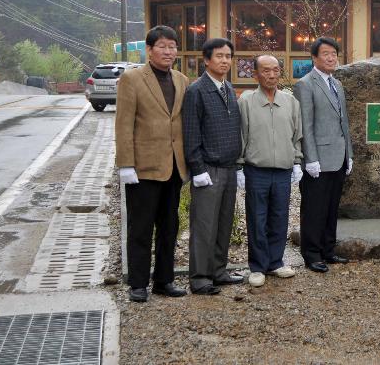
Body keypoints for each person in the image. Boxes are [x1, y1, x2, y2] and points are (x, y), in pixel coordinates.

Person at [115, 25, 189, 302]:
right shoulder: (132, 79)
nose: (168, 51)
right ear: (149, 49)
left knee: (170, 226)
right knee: (141, 227)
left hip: (173, 166)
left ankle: (164, 280)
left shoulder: (181, 80)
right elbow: (123, 124)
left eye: (172, 46)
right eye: (162, 46)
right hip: (143, 167)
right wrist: (125, 164)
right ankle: (137, 283)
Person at [183, 38, 244, 295]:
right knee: (204, 225)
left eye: (228, 56)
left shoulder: (228, 88)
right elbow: (190, 133)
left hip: (229, 168)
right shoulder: (197, 91)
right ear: (206, 60)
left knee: (223, 223)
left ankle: (219, 270)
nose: (224, 61)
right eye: (219, 56)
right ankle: (200, 277)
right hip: (208, 168)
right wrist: (197, 169)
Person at [238, 55, 303, 287]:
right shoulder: (246, 101)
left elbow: (297, 135)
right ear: (256, 74)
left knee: (279, 217)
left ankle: (275, 261)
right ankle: (257, 266)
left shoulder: (290, 101)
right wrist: (239, 166)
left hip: (283, 170)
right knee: (257, 218)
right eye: (266, 71)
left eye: (276, 70)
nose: (272, 75)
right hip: (257, 170)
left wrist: (297, 162)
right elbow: (241, 136)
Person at [293, 37, 353, 273]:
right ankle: (312, 254)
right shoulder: (305, 84)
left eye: (334, 54)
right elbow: (305, 125)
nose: (331, 58)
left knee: (331, 207)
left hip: (338, 157)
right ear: (314, 58)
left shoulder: (337, 84)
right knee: (314, 209)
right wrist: (311, 158)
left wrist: (349, 154)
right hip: (318, 159)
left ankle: (328, 250)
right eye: (326, 53)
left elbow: (344, 123)